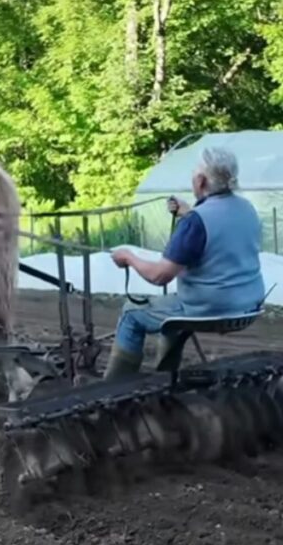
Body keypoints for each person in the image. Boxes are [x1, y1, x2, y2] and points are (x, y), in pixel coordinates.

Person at [105, 146, 266, 379]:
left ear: (200, 181)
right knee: (170, 311)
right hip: (249, 303)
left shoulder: (196, 222)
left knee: (131, 313)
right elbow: (219, 230)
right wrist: (188, 213)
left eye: (194, 172)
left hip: (210, 307)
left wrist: (128, 257)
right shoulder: (247, 209)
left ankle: (110, 389)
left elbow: (160, 275)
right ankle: (165, 378)